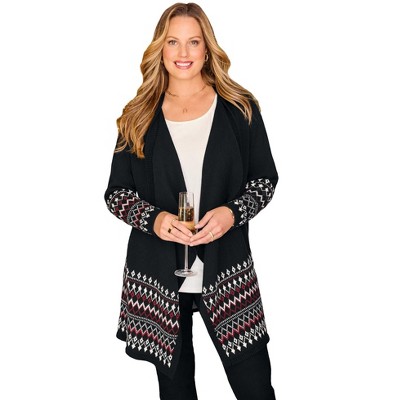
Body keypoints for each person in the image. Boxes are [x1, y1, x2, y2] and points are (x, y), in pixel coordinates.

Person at [104, 3, 279, 399]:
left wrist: (232, 213)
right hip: (159, 276)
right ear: (160, 48)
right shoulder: (138, 114)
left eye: (193, 42)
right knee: (176, 392)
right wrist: (155, 220)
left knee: (255, 387)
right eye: (173, 42)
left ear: (206, 48)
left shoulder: (239, 108)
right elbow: (116, 193)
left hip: (227, 269)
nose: (183, 53)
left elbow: (264, 180)